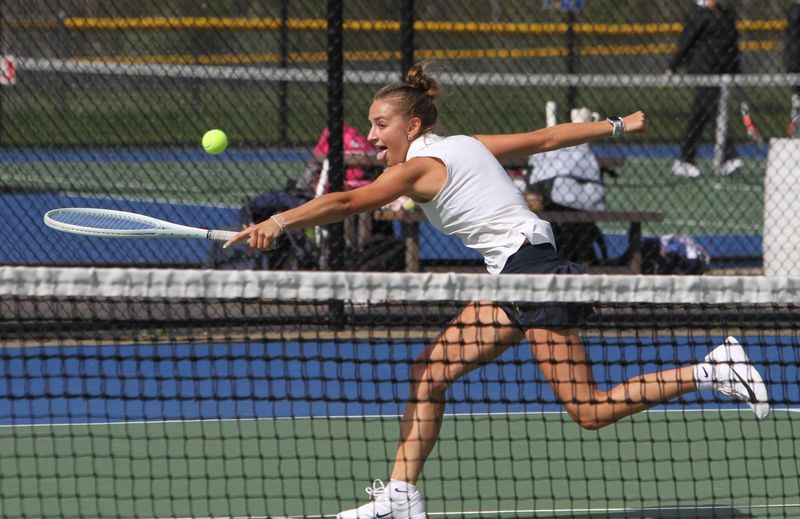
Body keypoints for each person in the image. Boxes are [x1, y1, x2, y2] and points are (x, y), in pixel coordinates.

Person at [224, 63, 770, 519]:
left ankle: (711, 369)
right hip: (513, 274)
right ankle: (401, 497)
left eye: (380, 124)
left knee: (589, 410)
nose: (371, 136)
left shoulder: (422, 167)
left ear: (413, 125)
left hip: (532, 271)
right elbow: (546, 139)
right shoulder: (466, 143)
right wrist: (616, 125)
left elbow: (344, 203)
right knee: (429, 373)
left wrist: (280, 219)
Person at [666, 0, 744, 178]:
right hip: (703, 72)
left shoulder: (725, 14)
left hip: (720, 72)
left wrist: (735, 70)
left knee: (700, 116)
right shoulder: (697, 15)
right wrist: (672, 67)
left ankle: (685, 160)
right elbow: (686, 42)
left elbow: (731, 44)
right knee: (714, 110)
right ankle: (729, 155)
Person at [785, 0, 800, 137]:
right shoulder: (795, 10)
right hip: (796, 65)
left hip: (793, 63)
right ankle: (795, 134)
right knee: (797, 102)